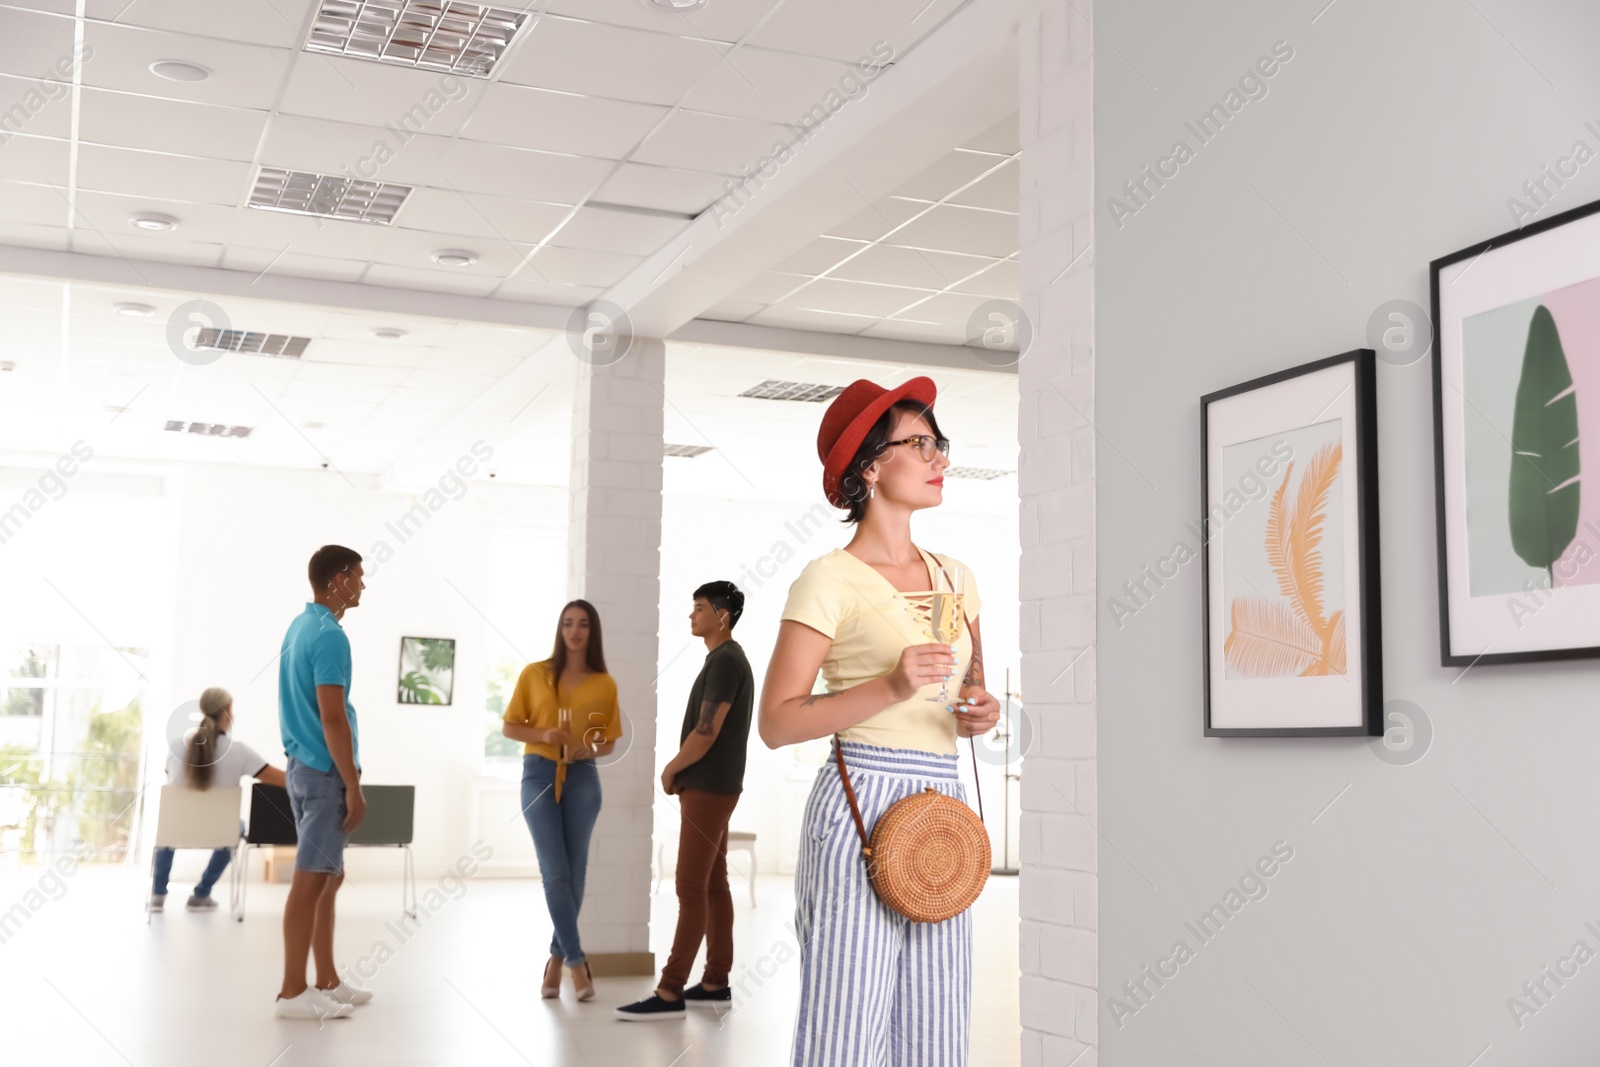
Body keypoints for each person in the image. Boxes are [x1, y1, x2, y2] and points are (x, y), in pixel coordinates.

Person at [758, 376, 1002, 1067]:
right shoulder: (827, 578)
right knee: (846, 1021)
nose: (939, 458)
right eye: (917, 443)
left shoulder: (957, 577)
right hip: (860, 802)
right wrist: (891, 683)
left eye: (938, 443)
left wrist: (980, 710)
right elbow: (777, 721)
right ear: (869, 464)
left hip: (943, 806)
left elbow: (971, 687)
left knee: (937, 1022)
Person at [616, 581, 755, 1021]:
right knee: (713, 886)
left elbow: (707, 730)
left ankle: (670, 990)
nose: (691, 616)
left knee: (689, 887)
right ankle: (715, 982)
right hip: (717, 786)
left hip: (709, 788)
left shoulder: (726, 662)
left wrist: (672, 768)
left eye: (698, 609)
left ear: (722, 616)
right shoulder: (724, 660)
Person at [501, 599, 623, 1003]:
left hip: (583, 779)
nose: (575, 631)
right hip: (538, 774)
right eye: (568, 623)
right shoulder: (534, 674)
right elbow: (509, 726)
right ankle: (575, 962)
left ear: (592, 631)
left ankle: (554, 961)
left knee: (576, 873)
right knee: (554, 873)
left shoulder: (604, 683)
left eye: (583, 624)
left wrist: (591, 749)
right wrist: (544, 736)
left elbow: (609, 740)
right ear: (560, 629)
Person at [274, 545, 373, 1021]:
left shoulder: (300, 626)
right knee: (311, 882)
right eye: (357, 575)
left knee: (327, 880)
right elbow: (333, 719)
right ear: (336, 580)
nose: (362, 584)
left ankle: (326, 979)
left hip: (302, 766)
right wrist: (352, 785)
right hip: (323, 773)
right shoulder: (330, 636)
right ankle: (292, 993)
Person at [150, 687, 285, 913]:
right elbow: (282, 780)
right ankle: (201, 894)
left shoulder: (176, 747)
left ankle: (157, 896)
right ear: (228, 712)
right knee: (238, 826)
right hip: (220, 832)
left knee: (166, 827)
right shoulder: (240, 752)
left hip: (176, 830)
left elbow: (172, 785)